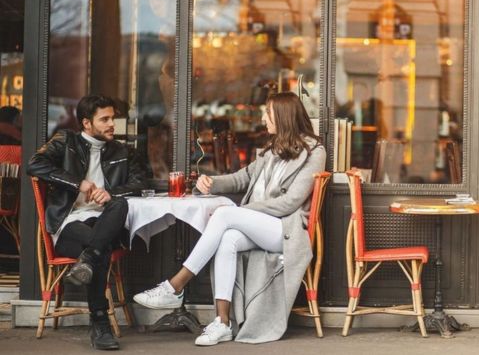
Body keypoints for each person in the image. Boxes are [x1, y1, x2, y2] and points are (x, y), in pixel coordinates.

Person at [133, 91, 326, 345]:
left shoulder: (314, 151)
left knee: (225, 215)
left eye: (267, 112)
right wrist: (212, 183)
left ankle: (175, 285)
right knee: (228, 239)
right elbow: (242, 177)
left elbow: (290, 201)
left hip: (287, 230)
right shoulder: (271, 150)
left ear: (283, 116)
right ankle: (222, 322)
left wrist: (243, 212)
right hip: (263, 226)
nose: (263, 117)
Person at [27, 94, 146, 350]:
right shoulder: (66, 142)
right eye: (104, 119)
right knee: (100, 249)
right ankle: (99, 323)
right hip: (70, 225)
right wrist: (77, 182)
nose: (112, 124)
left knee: (119, 205)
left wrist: (111, 194)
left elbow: (140, 184)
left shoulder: (122, 151)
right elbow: (34, 164)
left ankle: (88, 261)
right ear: (86, 123)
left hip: (106, 221)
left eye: (113, 118)